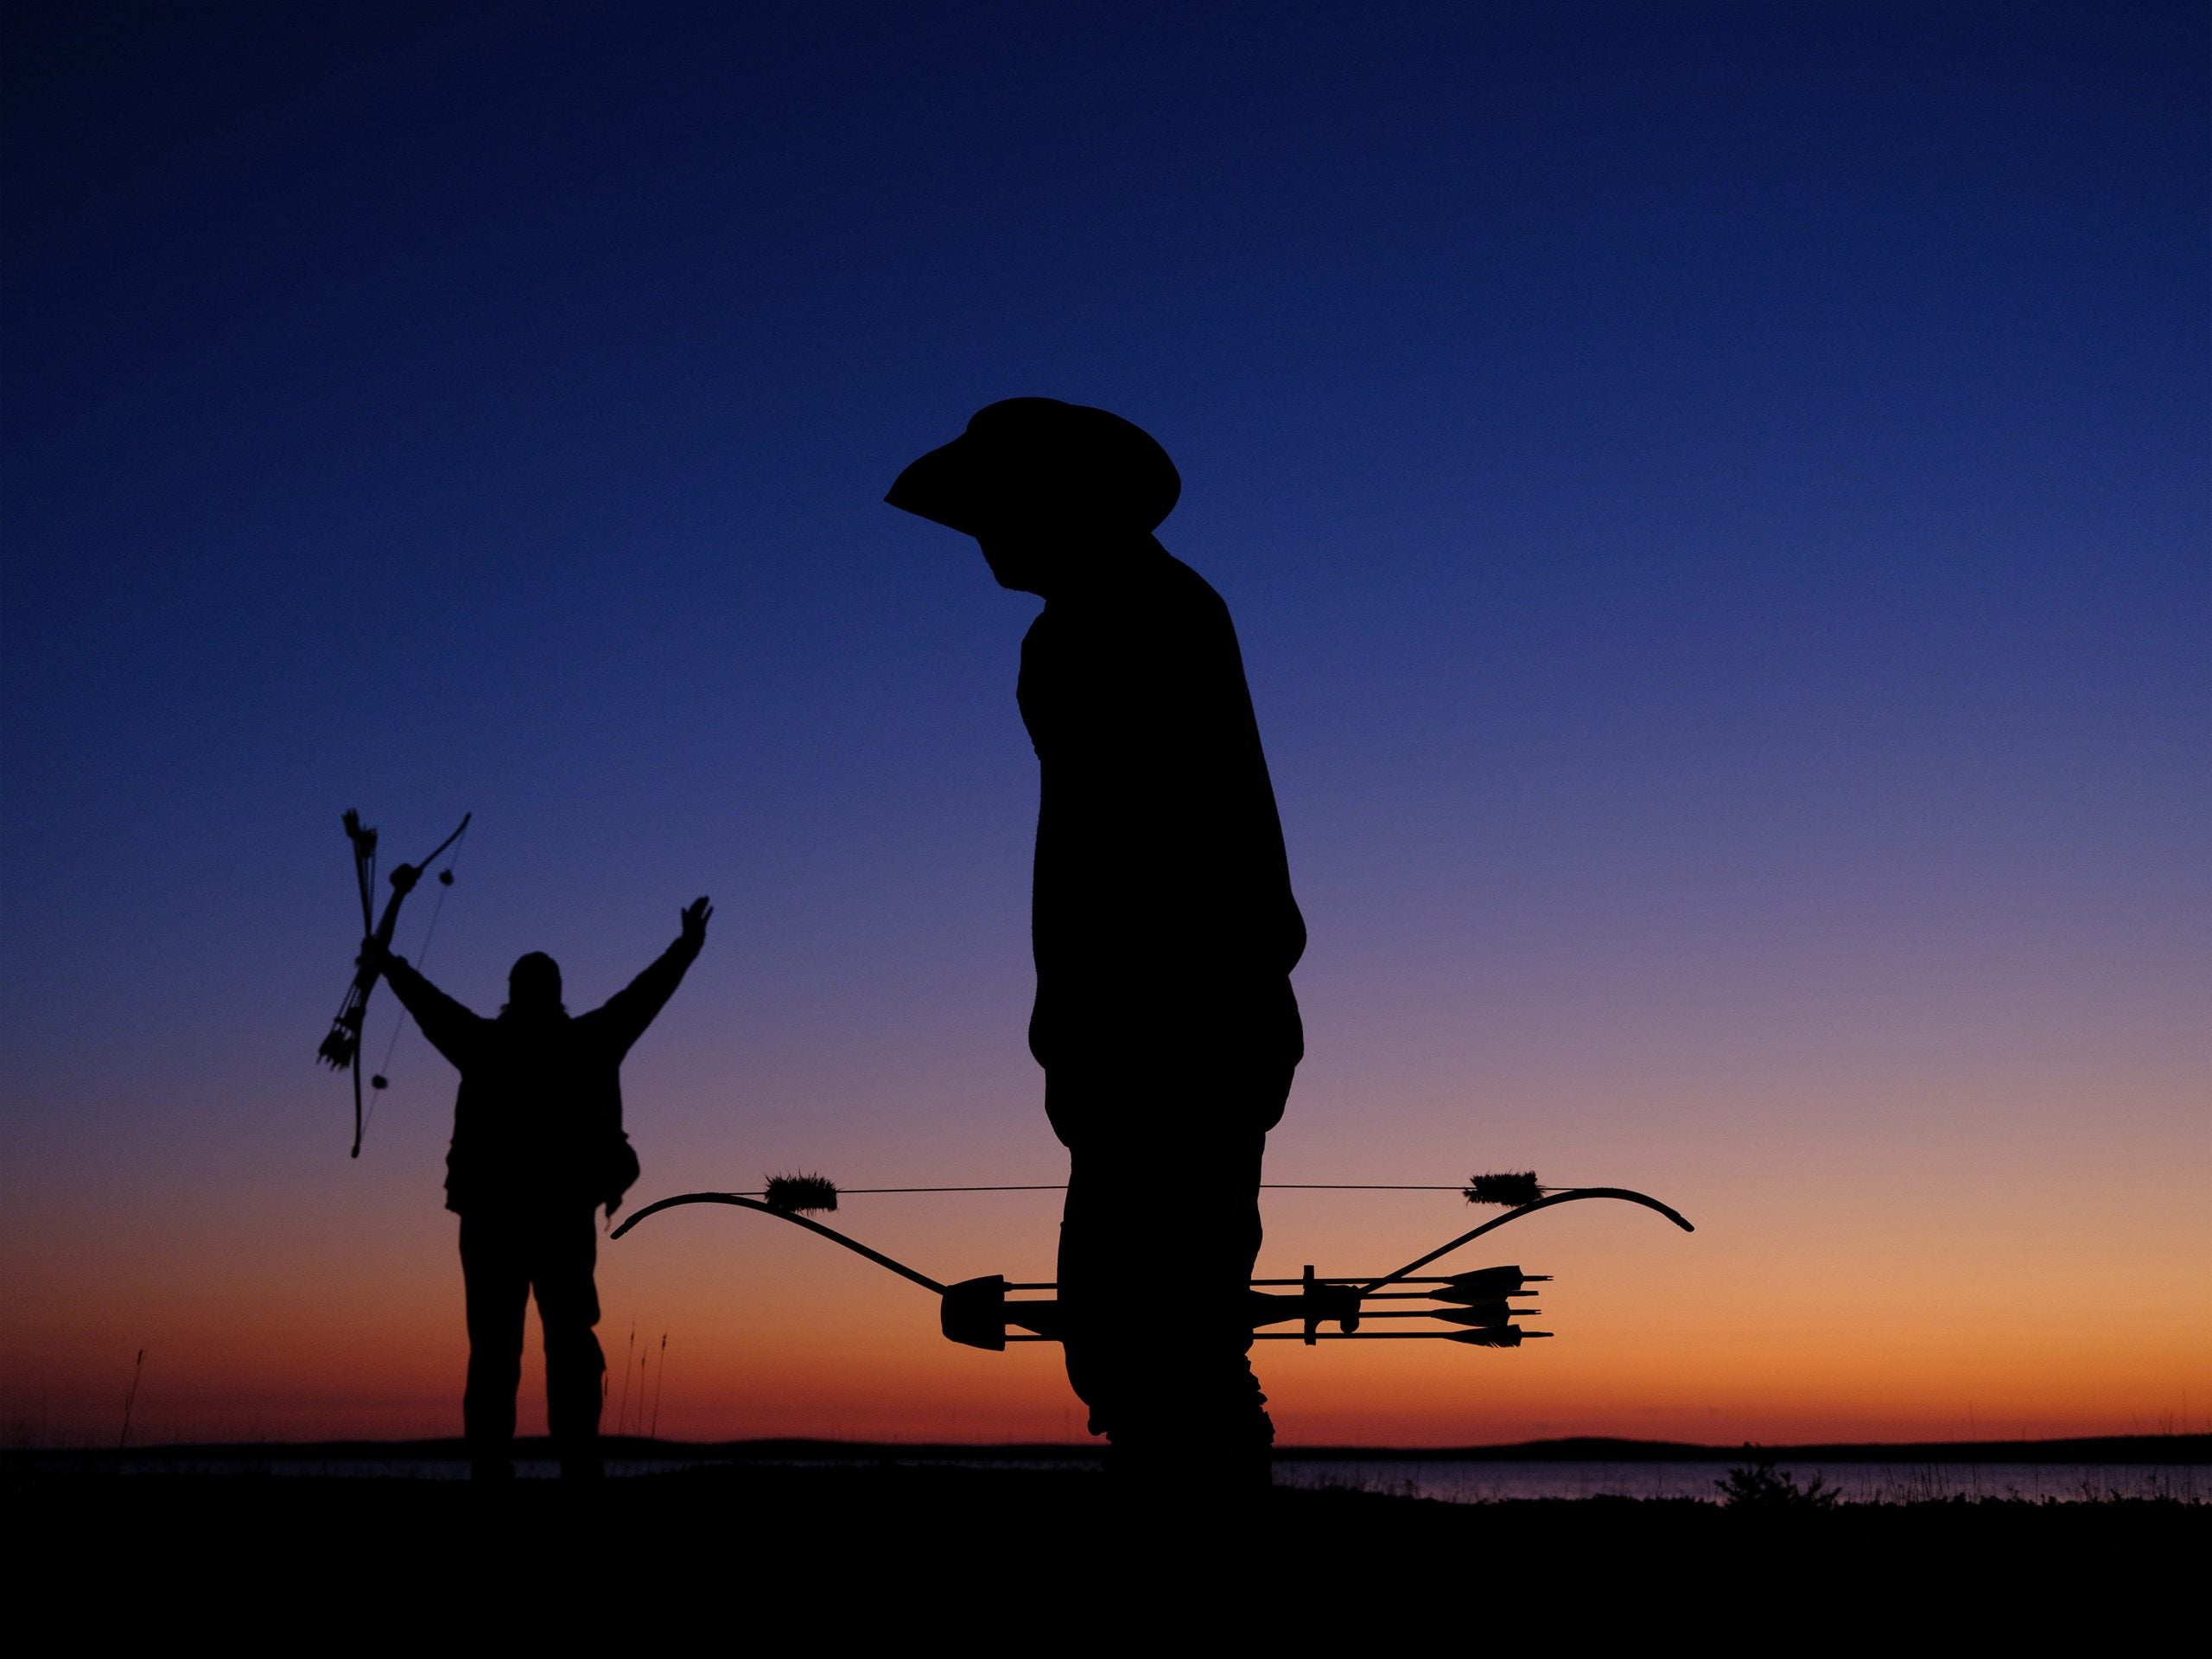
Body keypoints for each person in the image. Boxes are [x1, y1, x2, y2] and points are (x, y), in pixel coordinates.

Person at [887, 399, 1305, 1492]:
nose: (979, 537)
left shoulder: (1117, 621)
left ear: (1053, 508)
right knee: (1171, 1338)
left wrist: (1102, 1030)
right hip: (1180, 1025)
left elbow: (1152, 851)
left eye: (993, 511)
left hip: (1169, 1030)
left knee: (1148, 1342)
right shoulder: (1131, 613)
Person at [365, 895, 711, 1480]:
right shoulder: (586, 1042)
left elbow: (429, 1007)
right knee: (566, 1344)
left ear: (513, 993)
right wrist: (685, 948)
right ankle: (573, 1460)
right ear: (554, 994)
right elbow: (643, 998)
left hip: (495, 1220)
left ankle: (495, 1463)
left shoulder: (486, 1044)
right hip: (558, 1218)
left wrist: (387, 964)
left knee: (502, 1349)